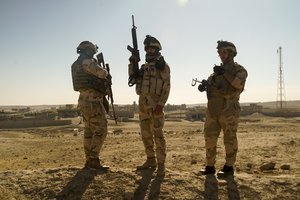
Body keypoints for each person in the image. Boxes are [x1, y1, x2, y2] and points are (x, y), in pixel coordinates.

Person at [198, 40, 248, 177]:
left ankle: (229, 167)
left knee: (229, 138)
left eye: (224, 52)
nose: (221, 55)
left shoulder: (239, 70)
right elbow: (212, 84)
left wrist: (224, 73)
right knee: (210, 137)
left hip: (228, 108)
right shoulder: (216, 72)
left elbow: (238, 84)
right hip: (213, 109)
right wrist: (205, 85)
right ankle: (209, 166)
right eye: (219, 52)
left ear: (231, 53)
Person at [128, 35, 171, 176]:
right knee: (145, 134)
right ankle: (150, 160)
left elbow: (167, 86)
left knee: (158, 134)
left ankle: (161, 164)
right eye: (147, 49)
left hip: (155, 104)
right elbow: (133, 80)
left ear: (157, 50)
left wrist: (161, 104)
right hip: (143, 105)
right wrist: (132, 64)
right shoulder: (143, 67)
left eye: (152, 48)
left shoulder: (162, 66)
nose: (149, 51)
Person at [71, 41, 110, 170]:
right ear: (89, 51)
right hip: (93, 101)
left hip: (83, 100)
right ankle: (93, 159)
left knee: (88, 130)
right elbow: (102, 74)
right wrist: (105, 71)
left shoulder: (76, 64)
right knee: (101, 130)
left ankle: (88, 160)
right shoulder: (87, 62)